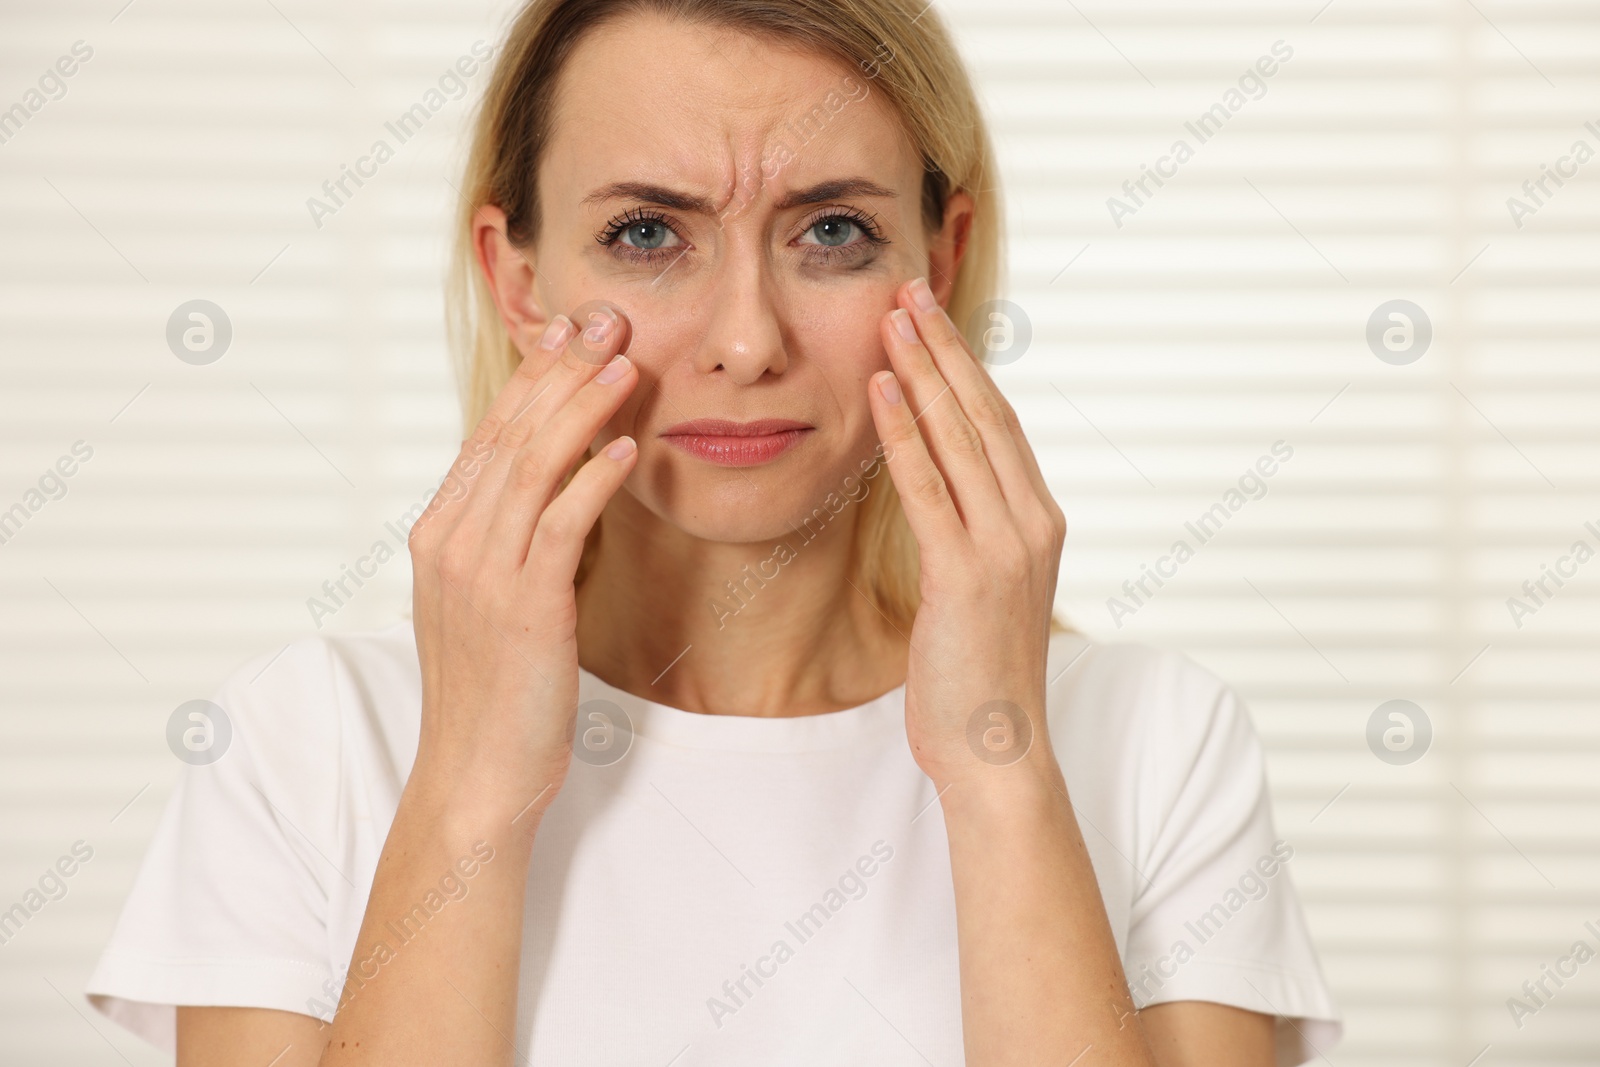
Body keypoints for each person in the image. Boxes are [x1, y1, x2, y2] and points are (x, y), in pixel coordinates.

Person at [87, 1, 1341, 1063]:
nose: (747, 340)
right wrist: (471, 784)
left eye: (832, 233)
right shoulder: (305, 743)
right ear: (519, 281)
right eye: (647, 234)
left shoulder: (1156, 743)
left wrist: (1000, 770)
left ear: (938, 262)